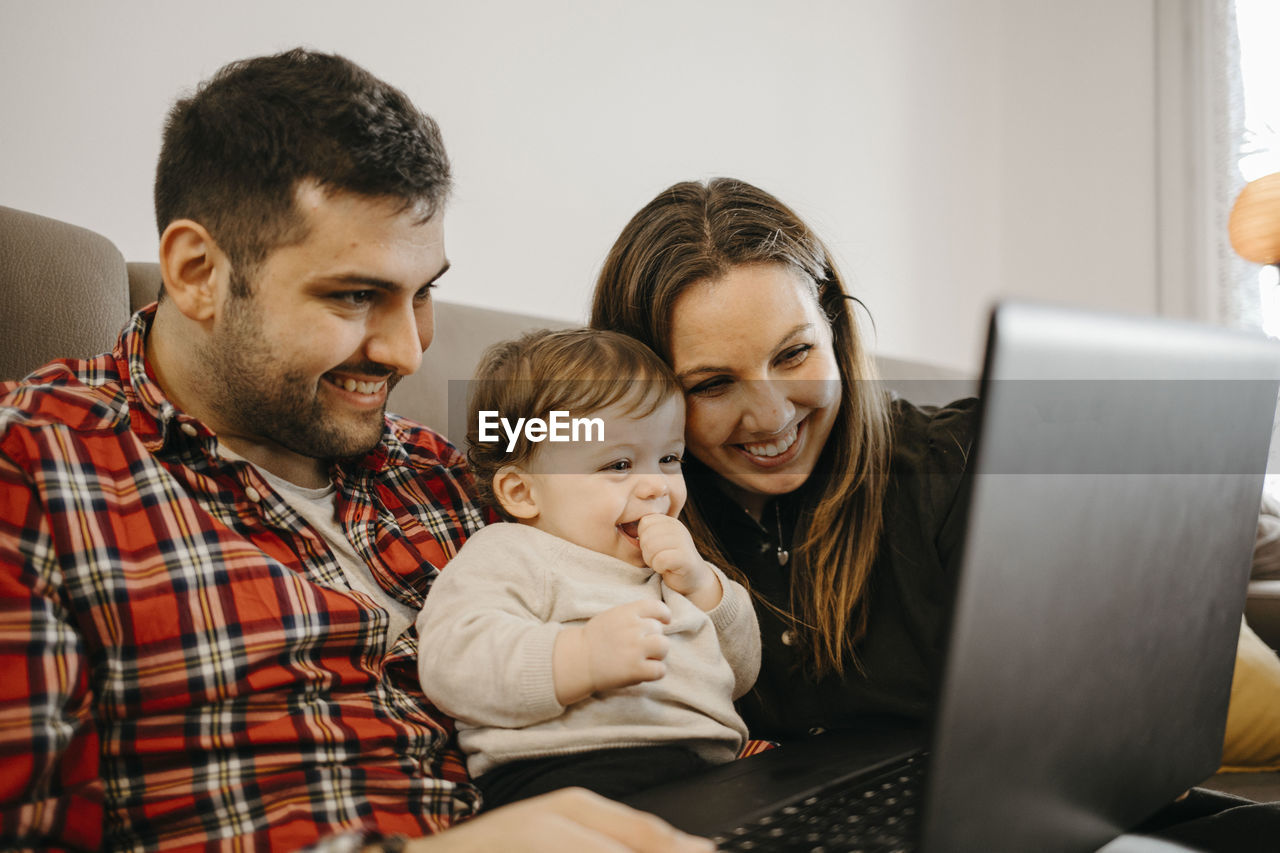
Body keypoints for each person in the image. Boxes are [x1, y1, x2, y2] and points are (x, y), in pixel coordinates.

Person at [0, 50, 713, 852]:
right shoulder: (38, 465)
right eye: (356, 295)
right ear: (197, 272)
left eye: (424, 292)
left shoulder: (445, 469)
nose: (410, 352)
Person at [589, 176, 1280, 852]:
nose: (771, 416)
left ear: (835, 327)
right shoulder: (615, 523)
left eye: (794, 352)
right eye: (711, 384)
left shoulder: (963, 461)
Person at [417, 328, 760, 808]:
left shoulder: (672, 567)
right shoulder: (511, 553)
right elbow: (452, 665)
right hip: (567, 772)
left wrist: (702, 586)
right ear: (522, 492)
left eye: (668, 458)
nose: (654, 487)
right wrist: (580, 657)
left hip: (710, 766)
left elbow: (740, 675)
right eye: (619, 465)